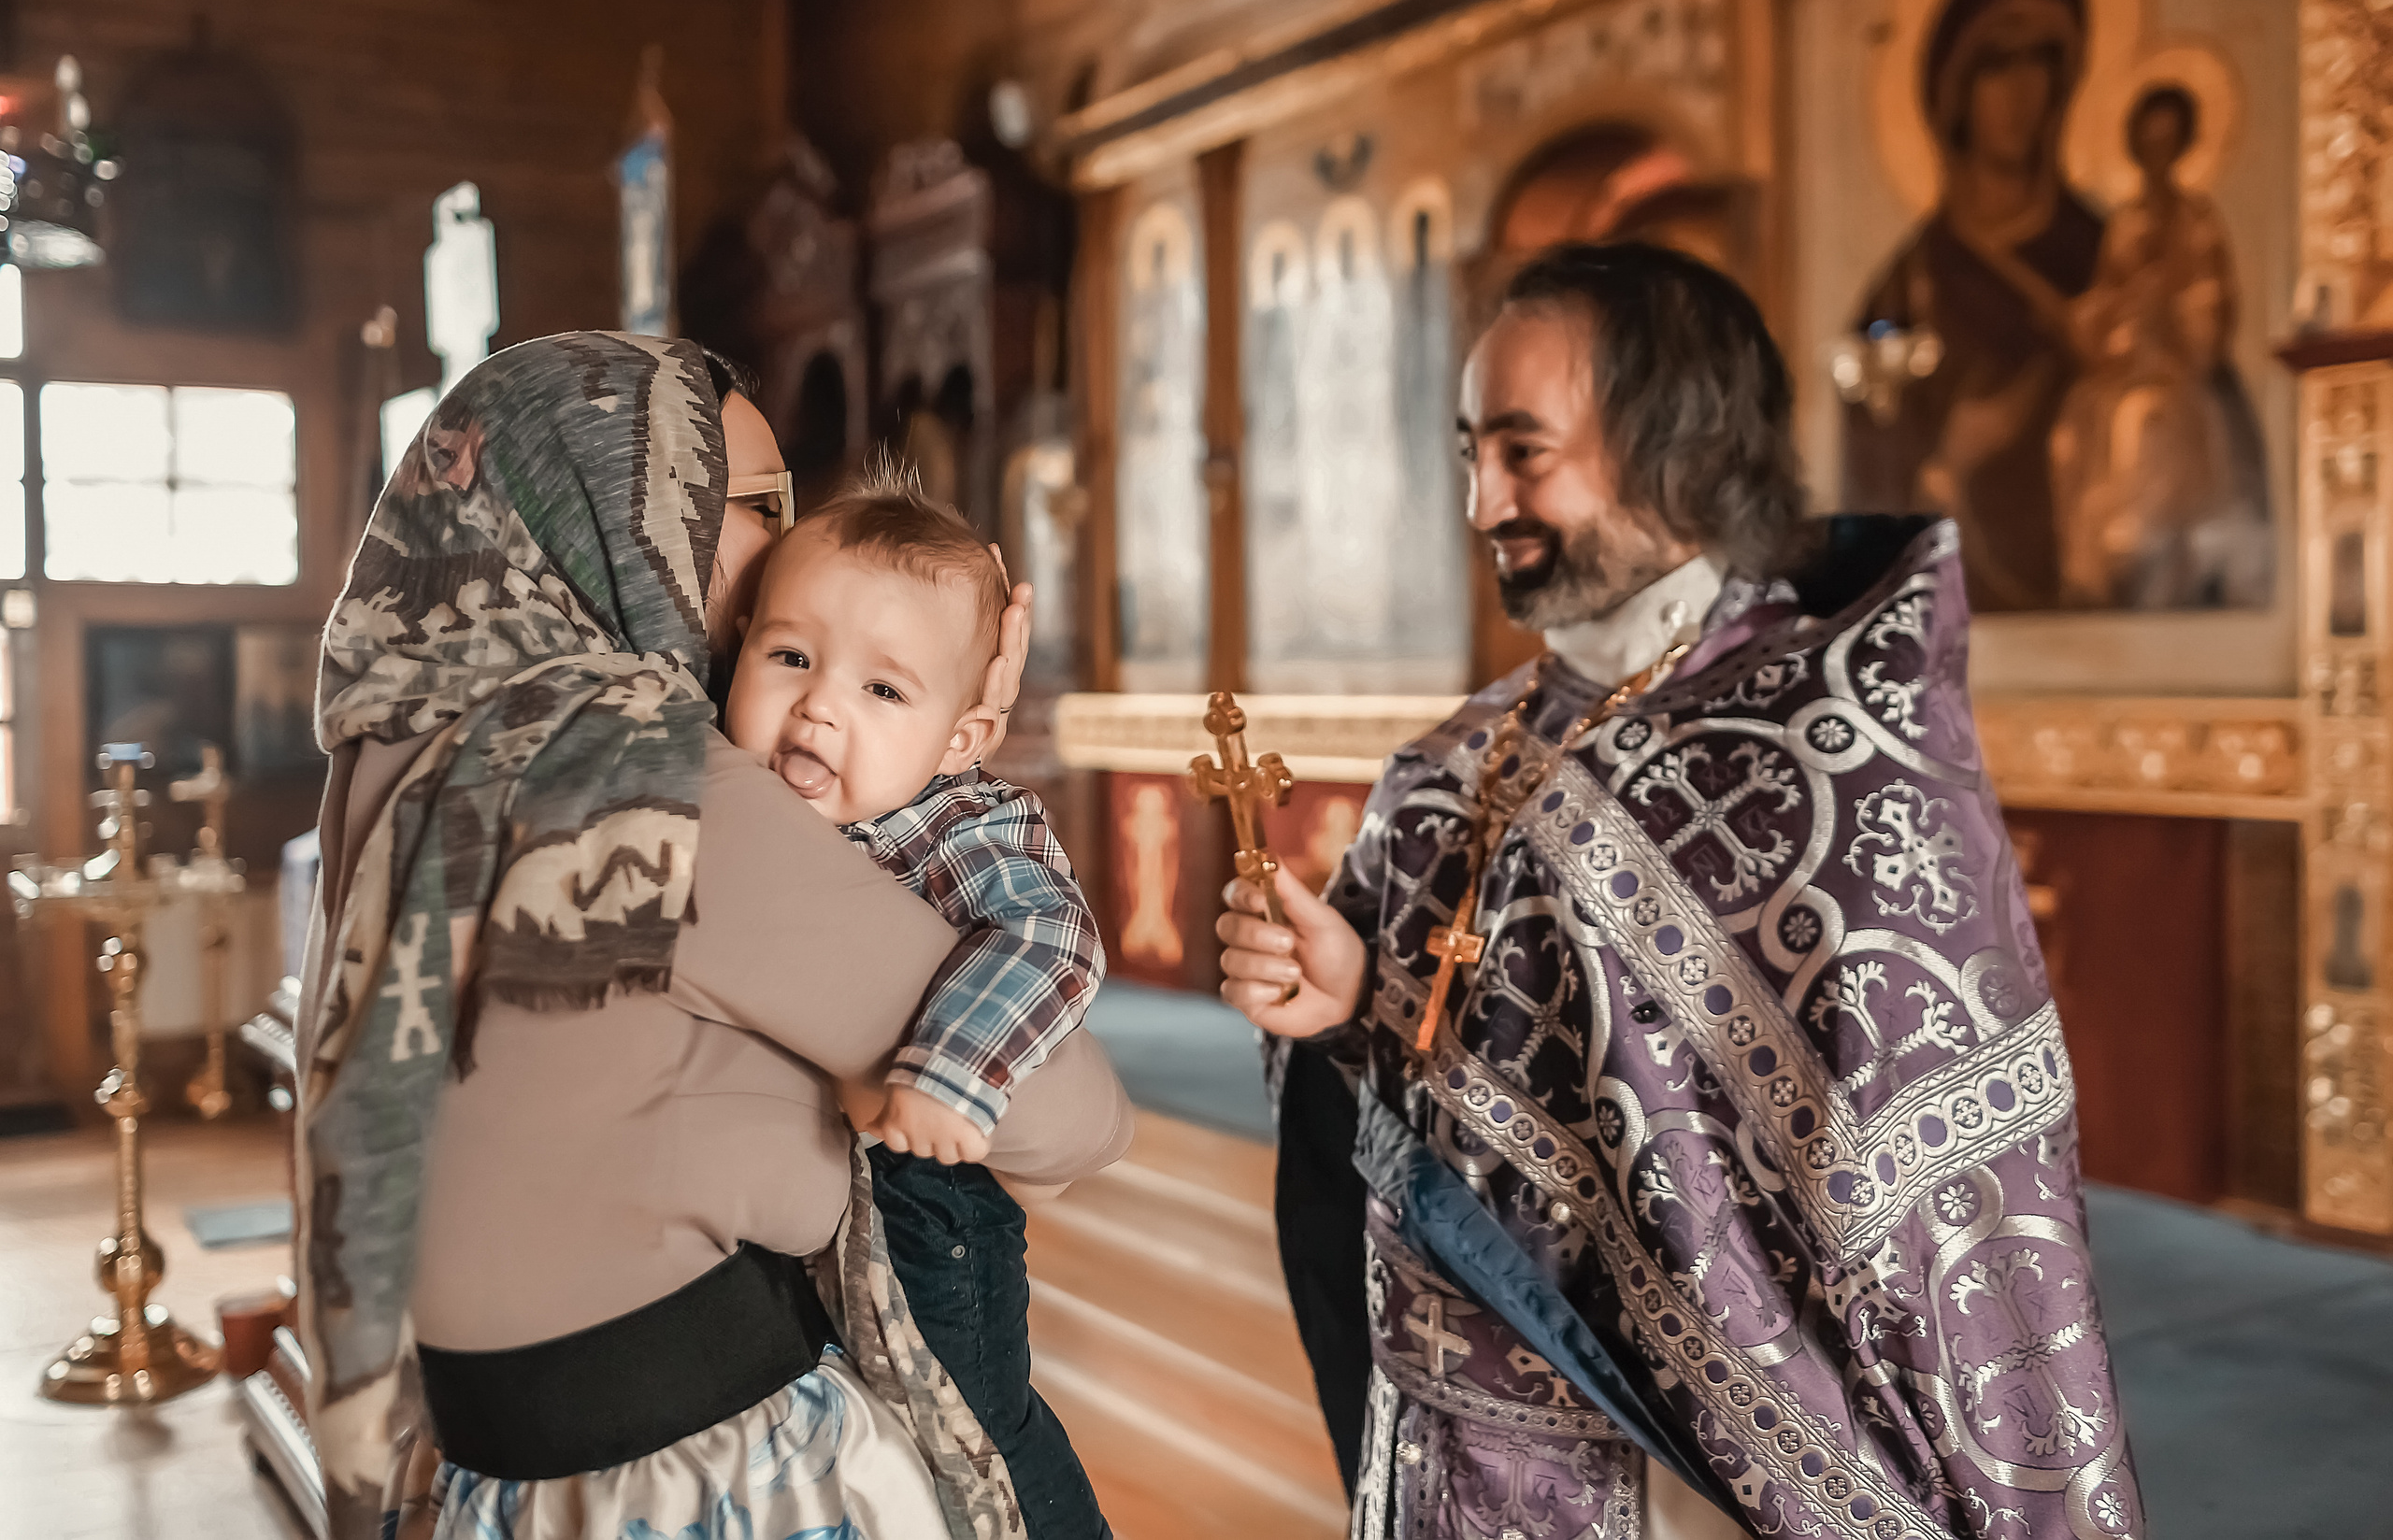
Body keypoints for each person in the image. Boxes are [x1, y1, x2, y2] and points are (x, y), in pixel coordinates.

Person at [1222, 243, 2144, 1539]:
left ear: (1680, 449)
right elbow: (1400, 1102)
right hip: (1454, 1448)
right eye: (1467, 451)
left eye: (1525, 452)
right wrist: (1343, 1002)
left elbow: (1950, 1205)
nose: (1482, 500)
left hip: (1712, 1476)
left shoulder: (1839, 758)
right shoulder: (1450, 762)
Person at [298, 332, 1135, 1540]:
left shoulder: (410, 731)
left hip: (482, 1462)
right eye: (752, 506)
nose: (781, 558)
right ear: (623, 506)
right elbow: (1076, 1112)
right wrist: (929, 724)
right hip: (694, 1466)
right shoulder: (642, 766)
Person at [722, 458, 1111, 1537]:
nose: (818, 708)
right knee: (863, 1433)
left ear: (959, 740)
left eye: (881, 689)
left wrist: (953, 1073)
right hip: (804, 1188)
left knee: (974, 1430)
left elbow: (1053, 937)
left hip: (926, 1192)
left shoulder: (959, 822)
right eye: (790, 656)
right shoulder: (740, 791)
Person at [1843, 0, 2101, 612]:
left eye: (2040, 61)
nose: (2021, 91)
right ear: (1955, 89)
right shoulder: (1905, 289)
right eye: (1995, 65)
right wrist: (1949, 458)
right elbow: (1866, 493)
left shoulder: (2106, 257)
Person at [2050, 84, 2270, 609]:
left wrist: (2172, 321)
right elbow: (2107, 290)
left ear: (2183, 146)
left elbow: (2210, 302)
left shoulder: (2197, 220)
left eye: (2167, 142)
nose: (2157, 155)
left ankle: (2158, 565)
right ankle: (2094, 575)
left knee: (2144, 419)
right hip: (2125, 361)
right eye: (2148, 143)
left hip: (2179, 368)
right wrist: (2108, 318)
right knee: (2068, 434)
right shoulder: (2125, 224)